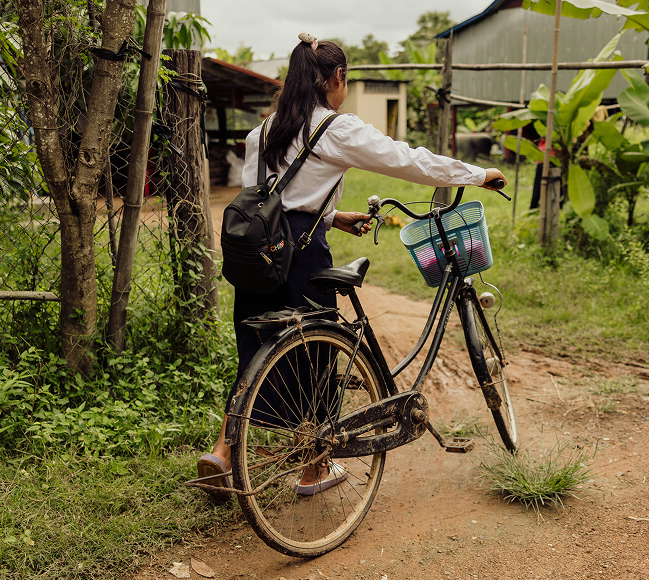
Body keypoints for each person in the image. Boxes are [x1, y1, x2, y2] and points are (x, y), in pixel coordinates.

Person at [197, 33, 507, 499]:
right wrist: (477, 174)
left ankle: (222, 452)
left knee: (257, 349)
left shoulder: (262, 131)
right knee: (316, 357)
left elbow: (273, 201)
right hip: (302, 259)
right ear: (337, 79)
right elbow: (408, 161)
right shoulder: (335, 129)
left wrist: (333, 216)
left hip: (260, 258)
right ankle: (312, 472)